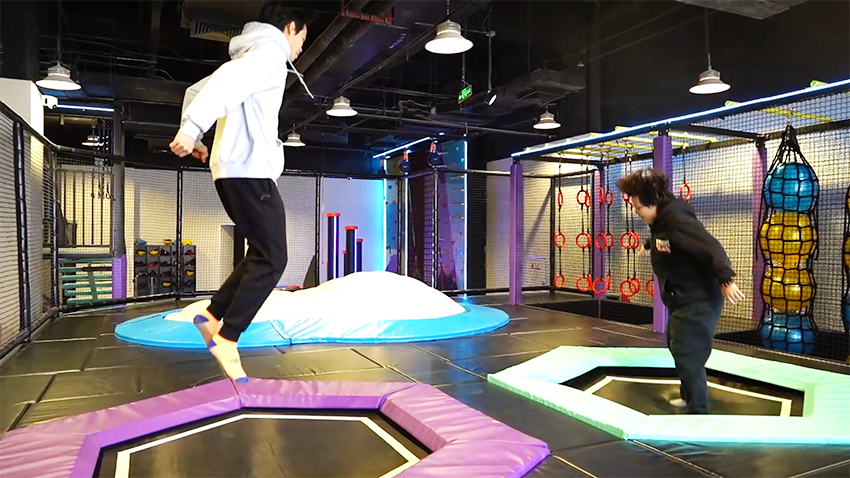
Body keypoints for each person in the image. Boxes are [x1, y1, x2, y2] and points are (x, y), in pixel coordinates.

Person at [169, 1, 312, 382]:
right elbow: (227, 85)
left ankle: (213, 315)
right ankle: (228, 337)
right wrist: (192, 128)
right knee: (274, 258)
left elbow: (199, 88)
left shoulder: (251, 52)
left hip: (231, 170)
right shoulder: (270, 51)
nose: (301, 48)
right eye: (302, 38)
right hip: (250, 170)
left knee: (261, 253)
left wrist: (197, 133)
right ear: (291, 27)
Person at [616, 168, 745, 414]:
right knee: (677, 345)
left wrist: (726, 279)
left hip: (700, 298)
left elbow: (711, 247)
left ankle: (699, 410)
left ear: (653, 204)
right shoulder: (661, 221)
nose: (636, 212)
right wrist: (648, 245)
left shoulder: (677, 221)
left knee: (688, 350)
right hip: (682, 298)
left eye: (638, 208)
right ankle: (689, 398)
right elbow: (666, 239)